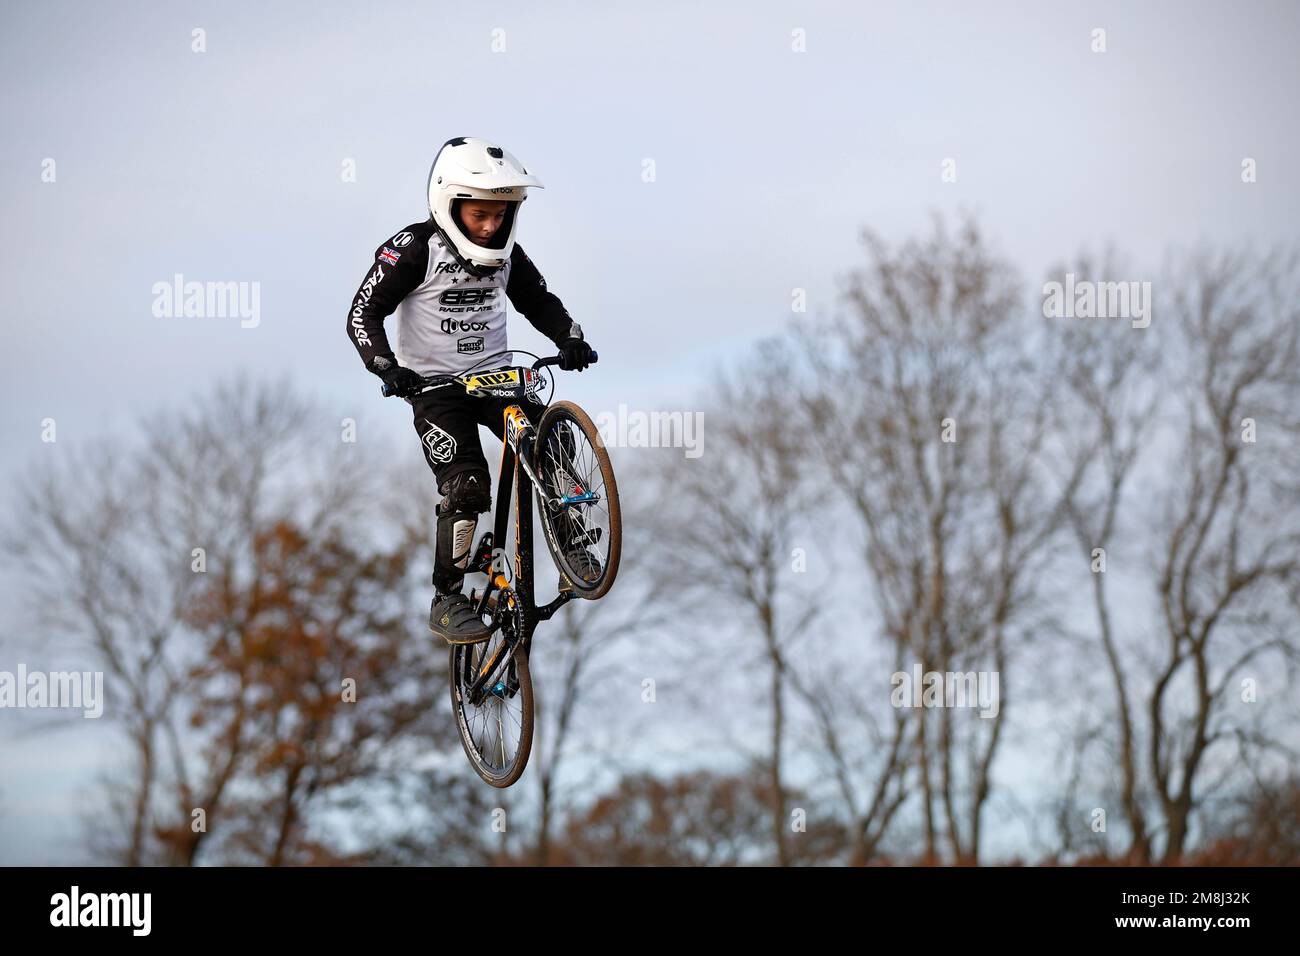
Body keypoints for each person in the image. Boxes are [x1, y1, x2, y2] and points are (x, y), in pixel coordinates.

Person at [346, 136, 599, 644]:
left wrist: (569, 338)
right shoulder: (414, 250)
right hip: (435, 388)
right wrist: (387, 368)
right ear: (450, 204)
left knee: (548, 438)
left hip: (497, 377)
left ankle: (570, 541)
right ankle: (447, 598)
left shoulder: (508, 256)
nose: (491, 226)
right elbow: (363, 314)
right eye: (480, 214)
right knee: (466, 484)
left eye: (501, 215)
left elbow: (538, 301)